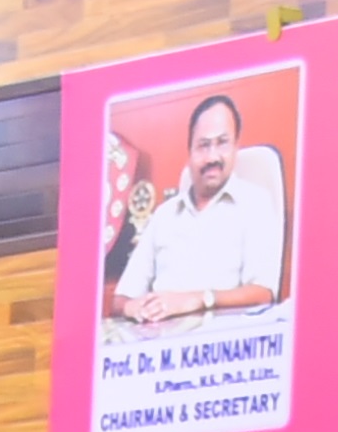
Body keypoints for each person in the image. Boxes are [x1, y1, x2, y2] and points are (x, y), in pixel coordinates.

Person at [110, 88, 288, 321]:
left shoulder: (255, 204)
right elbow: (121, 298)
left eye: (222, 143)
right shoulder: (164, 215)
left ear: (235, 147)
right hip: (157, 335)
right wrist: (132, 307)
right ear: (190, 152)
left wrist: (199, 299)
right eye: (203, 145)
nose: (212, 157)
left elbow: (263, 293)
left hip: (219, 338)